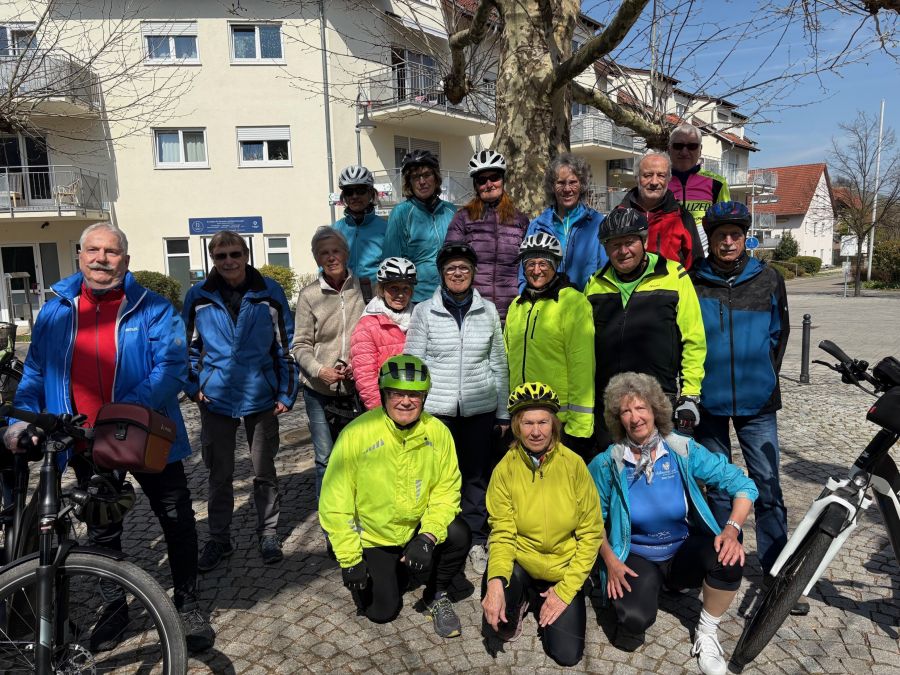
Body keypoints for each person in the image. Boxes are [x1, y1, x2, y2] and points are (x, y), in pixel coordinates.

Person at [4, 222, 214, 652]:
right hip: (80, 440)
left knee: (175, 519)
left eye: (111, 252)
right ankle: (115, 606)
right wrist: (22, 419)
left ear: (126, 260)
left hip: (145, 435)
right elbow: (37, 371)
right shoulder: (55, 309)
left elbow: (171, 368)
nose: (101, 259)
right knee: (102, 527)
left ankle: (188, 605)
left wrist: (117, 416)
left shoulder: (153, 307)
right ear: (80, 256)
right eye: (93, 250)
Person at [588, 372, 758, 675]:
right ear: (618, 419)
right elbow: (590, 520)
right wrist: (610, 560)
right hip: (636, 554)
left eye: (641, 408)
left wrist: (732, 529)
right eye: (625, 411)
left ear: (655, 410)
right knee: (634, 623)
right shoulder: (608, 462)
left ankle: (706, 633)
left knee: (729, 555)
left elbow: (743, 486)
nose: (635, 417)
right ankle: (648, 590)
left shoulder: (681, 449)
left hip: (680, 548)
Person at [691, 202, 801, 613]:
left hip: (758, 403)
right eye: (721, 235)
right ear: (712, 239)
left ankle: (778, 570)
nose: (729, 241)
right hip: (711, 403)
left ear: (744, 236)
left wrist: (764, 375)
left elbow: (780, 333)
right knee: (721, 487)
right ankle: (724, 564)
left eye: (735, 234)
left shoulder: (769, 278)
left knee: (768, 484)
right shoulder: (694, 281)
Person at [319, 355, 470, 637]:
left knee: (460, 533)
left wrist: (428, 537)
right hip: (375, 536)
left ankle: (436, 594)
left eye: (414, 395)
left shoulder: (438, 433)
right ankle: (388, 569)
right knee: (381, 612)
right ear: (383, 394)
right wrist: (350, 560)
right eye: (397, 393)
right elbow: (335, 503)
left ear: (424, 397)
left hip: (415, 528)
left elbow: (447, 491)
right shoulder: (357, 433)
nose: (405, 401)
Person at [182, 230, 298, 571]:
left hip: (261, 396)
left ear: (246, 254)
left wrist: (287, 392)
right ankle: (219, 538)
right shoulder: (198, 296)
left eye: (235, 254)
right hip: (216, 397)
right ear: (212, 260)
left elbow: (286, 345)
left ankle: (268, 532)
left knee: (264, 471)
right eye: (221, 256)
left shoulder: (268, 292)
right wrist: (194, 386)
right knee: (219, 474)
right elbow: (186, 347)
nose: (229, 261)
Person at [405, 242, 509, 576]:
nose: (458, 273)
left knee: (476, 477)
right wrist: (413, 410)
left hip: (480, 409)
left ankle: (477, 539)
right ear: (441, 274)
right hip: (437, 411)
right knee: (437, 479)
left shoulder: (488, 311)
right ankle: (436, 537)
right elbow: (414, 364)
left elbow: (499, 363)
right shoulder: (424, 311)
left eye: (464, 267)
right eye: (451, 268)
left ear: (473, 272)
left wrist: (503, 412)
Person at [481, 383, 603, 667]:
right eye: (528, 423)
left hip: (562, 569)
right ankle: (520, 598)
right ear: (516, 425)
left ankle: (543, 599)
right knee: (498, 620)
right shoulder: (505, 470)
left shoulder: (574, 466)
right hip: (522, 563)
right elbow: (502, 533)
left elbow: (591, 533)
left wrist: (566, 589)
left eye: (543, 422)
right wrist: (495, 582)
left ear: (554, 425)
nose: (536, 431)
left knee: (567, 655)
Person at [584, 208, 706, 450]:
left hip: (657, 399)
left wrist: (690, 393)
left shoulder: (674, 275)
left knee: (659, 475)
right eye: (614, 245)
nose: (623, 251)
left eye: (629, 242)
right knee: (613, 476)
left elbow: (693, 339)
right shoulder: (594, 284)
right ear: (605, 248)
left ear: (644, 240)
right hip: (610, 402)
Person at [504, 233, 595, 461]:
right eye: (530, 264)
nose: (536, 270)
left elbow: (582, 364)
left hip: (559, 420)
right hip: (523, 415)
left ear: (555, 265)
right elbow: (507, 359)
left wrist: (579, 426)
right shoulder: (517, 305)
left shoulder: (573, 302)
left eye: (544, 263)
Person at [292, 226, 365, 499]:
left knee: (358, 457)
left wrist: (357, 364)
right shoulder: (309, 295)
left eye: (336, 251)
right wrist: (319, 370)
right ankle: (330, 525)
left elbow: (372, 335)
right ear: (317, 259)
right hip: (318, 390)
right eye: (324, 253)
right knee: (325, 458)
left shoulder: (363, 287)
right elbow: (299, 345)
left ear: (346, 254)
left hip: (356, 390)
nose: (331, 257)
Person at [445, 149, 529, 321]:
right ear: (476, 185)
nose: (489, 184)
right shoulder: (463, 218)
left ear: (503, 180)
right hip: (475, 309)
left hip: (512, 308)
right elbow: (451, 261)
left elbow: (528, 264)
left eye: (495, 178)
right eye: (482, 180)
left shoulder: (520, 219)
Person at [522, 152, 607, 291]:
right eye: (560, 183)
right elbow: (524, 272)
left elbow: (605, 271)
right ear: (552, 187)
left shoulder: (597, 223)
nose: (567, 189)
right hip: (546, 307)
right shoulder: (536, 226)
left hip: (586, 306)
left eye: (573, 182)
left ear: (582, 185)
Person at [382, 150, 457, 303]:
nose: (422, 181)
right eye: (415, 177)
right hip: (418, 299)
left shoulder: (451, 211)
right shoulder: (401, 213)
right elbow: (392, 261)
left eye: (427, 175)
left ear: (436, 178)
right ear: (409, 182)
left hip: (452, 296)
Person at [617, 151, 705, 271]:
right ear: (637, 178)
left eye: (661, 175)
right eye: (647, 175)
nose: (654, 182)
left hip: (671, 288)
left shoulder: (683, 217)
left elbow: (696, 267)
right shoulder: (618, 216)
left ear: (669, 179)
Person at [349, 257, 417, 410]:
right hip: (386, 406)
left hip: (417, 404)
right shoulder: (367, 325)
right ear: (382, 289)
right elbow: (365, 377)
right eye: (394, 288)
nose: (400, 294)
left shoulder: (420, 317)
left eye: (405, 288)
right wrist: (380, 411)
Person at [667, 123, 731, 255]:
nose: (684, 152)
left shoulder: (718, 183)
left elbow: (725, 224)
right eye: (678, 146)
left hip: (704, 260)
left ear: (700, 150)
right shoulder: (659, 181)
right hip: (668, 258)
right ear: (669, 148)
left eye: (692, 146)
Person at [333, 164, 388, 296]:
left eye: (361, 190)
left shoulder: (386, 228)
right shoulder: (335, 230)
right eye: (349, 192)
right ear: (344, 196)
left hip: (377, 295)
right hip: (344, 295)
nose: (355, 196)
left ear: (371, 193)